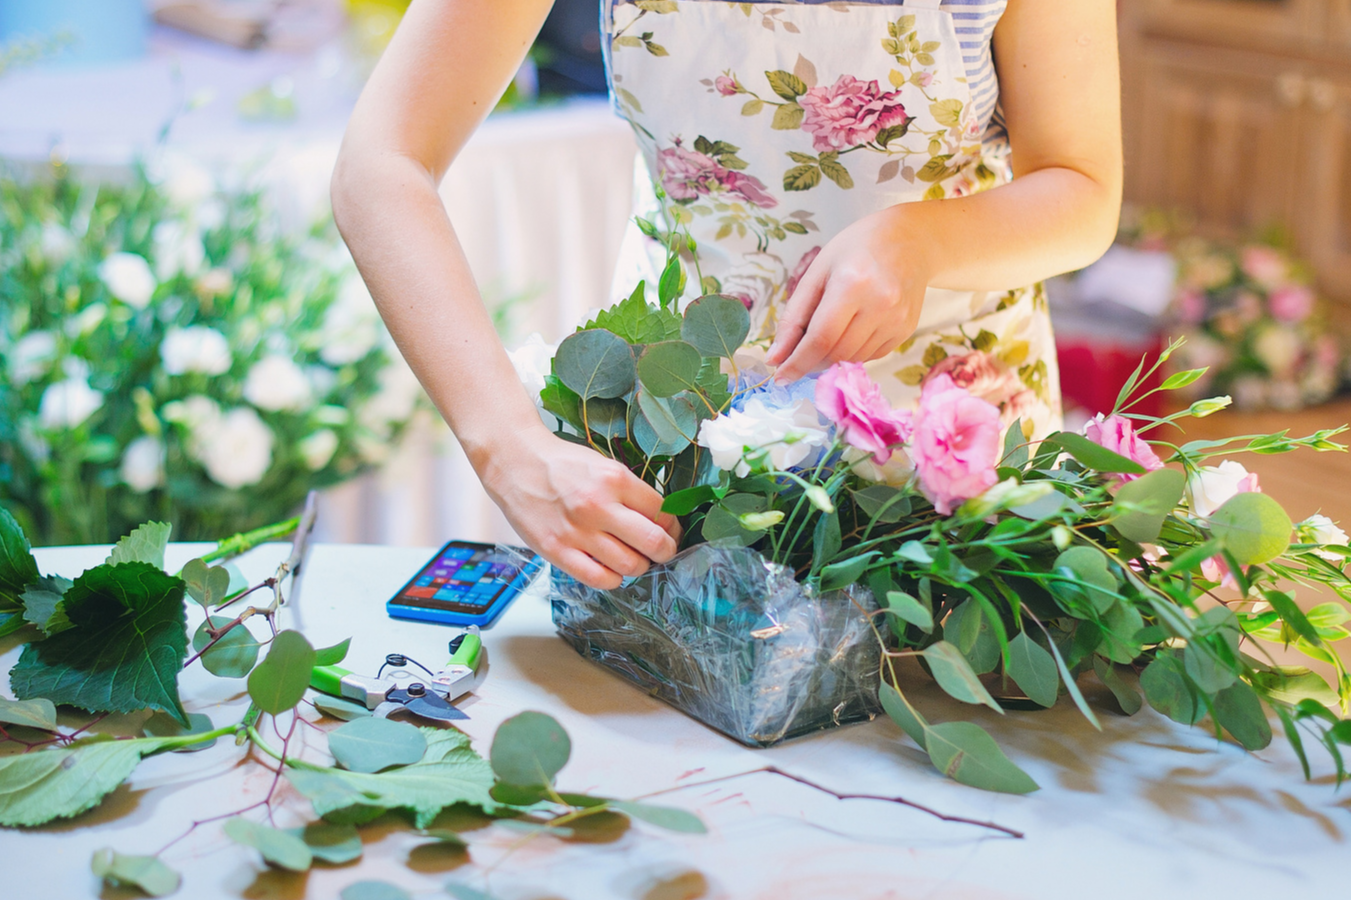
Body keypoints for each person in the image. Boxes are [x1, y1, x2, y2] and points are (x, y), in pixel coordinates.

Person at [331, 0, 1122, 590]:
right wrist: (503, 442)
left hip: (948, 457)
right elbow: (382, 164)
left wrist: (920, 239)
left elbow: (1081, 191)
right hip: (679, 442)